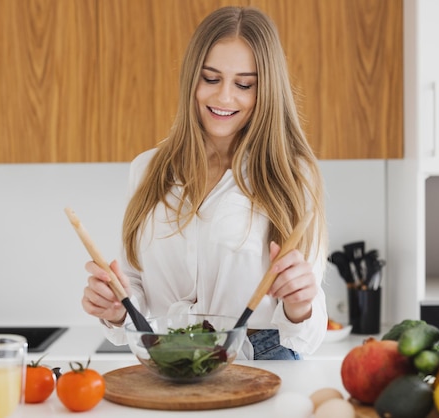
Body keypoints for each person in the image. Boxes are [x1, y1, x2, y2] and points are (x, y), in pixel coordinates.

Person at [81, 6, 328, 360]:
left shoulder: (293, 176)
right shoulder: (146, 170)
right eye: (211, 79)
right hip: (168, 358)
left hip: (261, 359)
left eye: (244, 84)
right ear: (191, 79)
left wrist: (300, 303)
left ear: (267, 91)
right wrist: (116, 307)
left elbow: (308, 330)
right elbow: (133, 286)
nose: (224, 97)